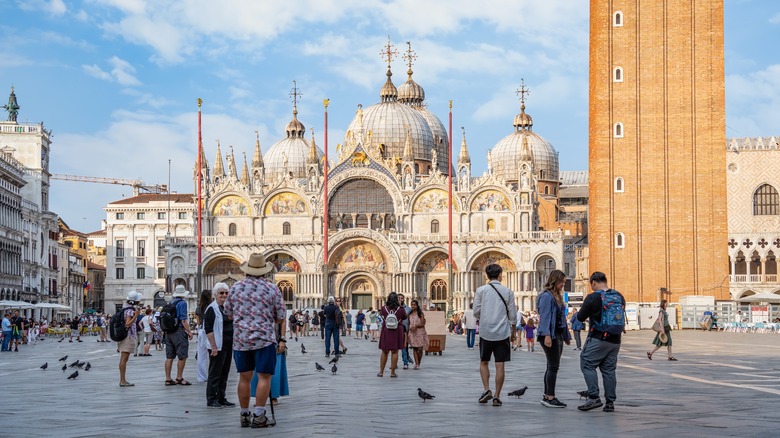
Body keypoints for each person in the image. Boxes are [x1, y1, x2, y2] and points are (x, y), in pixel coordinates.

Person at [223, 253, 285, 428]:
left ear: (247, 271)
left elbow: (228, 312)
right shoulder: (271, 288)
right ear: (264, 272)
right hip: (264, 339)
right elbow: (280, 316)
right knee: (264, 377)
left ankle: (244, 415)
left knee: (244, 378)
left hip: (241, 339)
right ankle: (259, 416)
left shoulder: (235, 287)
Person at [576, 271, 626, 413]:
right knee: (609, 370)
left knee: (587, 363)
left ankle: (593, 397)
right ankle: (610, 402)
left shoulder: (593, 297)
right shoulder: (619, 296)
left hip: (598, 338)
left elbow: (580, 317)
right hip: (615, 340)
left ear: (593, 283)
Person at [473, 263, 516, 407]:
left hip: (486, 332)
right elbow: (512, 315)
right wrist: (514, 332)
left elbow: (476, 312)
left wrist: (485, 316)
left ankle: (487, 390)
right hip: (502, 333)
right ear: (500, 275)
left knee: (484, 361)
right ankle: (497, 396)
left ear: (486, 275)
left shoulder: (481, 290)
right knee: (500, 365)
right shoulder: (508, 291)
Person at [537, 269, 571, 408]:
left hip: (556, 334)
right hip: (550, 334)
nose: (563, 284)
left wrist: (566, 336)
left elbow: (561, 318)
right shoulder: (546, 296)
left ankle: (547, 395)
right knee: (553, 367)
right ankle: (550, 397)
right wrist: (547, 335)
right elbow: (545, 317)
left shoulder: (556, 295)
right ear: (554, 281)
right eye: (561, 282)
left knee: (551, 366)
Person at [205, 282, 235, 408]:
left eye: (226, 293)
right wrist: (213, 346)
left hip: (228, 345)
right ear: (215, 294)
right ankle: (212, 399)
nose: (224, 295)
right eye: (221, 293)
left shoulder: (227, 308)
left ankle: (221, 397)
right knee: (215, 373)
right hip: (217, 346)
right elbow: (208, 329)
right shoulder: (212, 308)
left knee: (224, 372)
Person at [164, 285, 194, 386]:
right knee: (182, 356)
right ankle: (179, 378)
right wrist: (189, 331)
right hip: (179, 331)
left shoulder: (171, 302)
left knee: (169, 356)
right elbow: (183, 319)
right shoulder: (182, 303)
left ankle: (168, 379)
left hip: (168, 332)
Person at [377, 292, 407, 378]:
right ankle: (392, 373)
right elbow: (404, 317)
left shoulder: (383, 308)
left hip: (386, 331)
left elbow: (381, 315)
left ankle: (381, 372)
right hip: (397, 331)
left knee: (384, 351)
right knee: (395, 351)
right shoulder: (401, 309)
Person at [118, 291, 142, 387]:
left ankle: (123, 380)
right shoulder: (130, 311)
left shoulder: (125, 308)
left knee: (123, 359)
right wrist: (136, 315)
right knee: (124, 359)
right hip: (127, 336)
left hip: (124, 336)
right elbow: (127, 324)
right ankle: (122, 381)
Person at [196, 289, 213, 383]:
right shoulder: (212, 306)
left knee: (201, 355)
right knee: (213, 353)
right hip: (211, 331)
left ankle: (202, 377)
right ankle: (212, 374)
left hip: (202, 331)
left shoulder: (199, 308)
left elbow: (198, 322)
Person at [407, 300, 429, 369]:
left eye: (414, 305)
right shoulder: (409, 314)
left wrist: (416, 326)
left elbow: (422, 323)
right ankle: (416, 363)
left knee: (420, 348)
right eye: (412, 305)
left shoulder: (420, 314)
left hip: (420, 332)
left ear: (417, 306)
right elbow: (408, 323)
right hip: (412, 333)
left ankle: (418, 362)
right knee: (414, 348)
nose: (413, 306)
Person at [398, 293, 412, 369]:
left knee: (405, 348)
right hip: (395, 330)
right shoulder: (393, 309)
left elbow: (411, 319)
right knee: (394, 349)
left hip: (404, 330)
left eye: (401, 298)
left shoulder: (408, 309)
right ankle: (394, 363)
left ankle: (405, 362)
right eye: (398, 298)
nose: (400, 299)